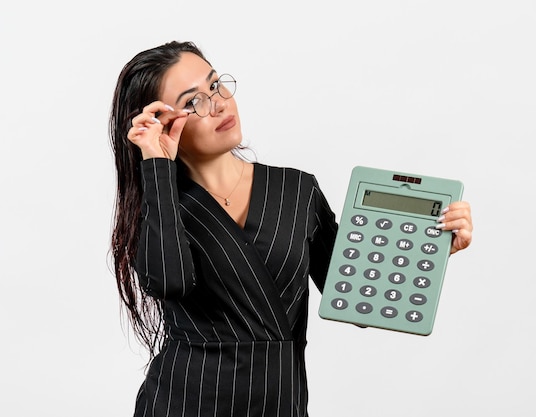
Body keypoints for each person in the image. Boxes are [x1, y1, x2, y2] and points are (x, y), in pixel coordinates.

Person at [109, 40, 473, 417]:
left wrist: (426, 249)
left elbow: (357, 298)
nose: (218, 103)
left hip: (281, 404)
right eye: (192, 102)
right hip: (183, 403)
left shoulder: (297, 191)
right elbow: (170, 282)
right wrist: (156, 164)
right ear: (160, 123)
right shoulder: (158, 207)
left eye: (215, 85)